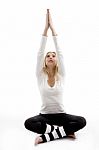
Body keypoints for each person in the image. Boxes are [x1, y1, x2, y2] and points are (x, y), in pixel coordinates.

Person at [24, 9, 86, 146]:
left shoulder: (61, 75)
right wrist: (46, 30)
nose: (51, 57)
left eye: (53, 56)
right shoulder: (40, 75)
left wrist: (54, 30)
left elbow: (60, 52)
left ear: (57, 60)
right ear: (44, 61)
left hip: (61, 115)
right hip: (44, 116)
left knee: (82, 121)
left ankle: (46, 137)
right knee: (28, 123)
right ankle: (63, 132)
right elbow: (40, 52)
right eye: (48, 56)